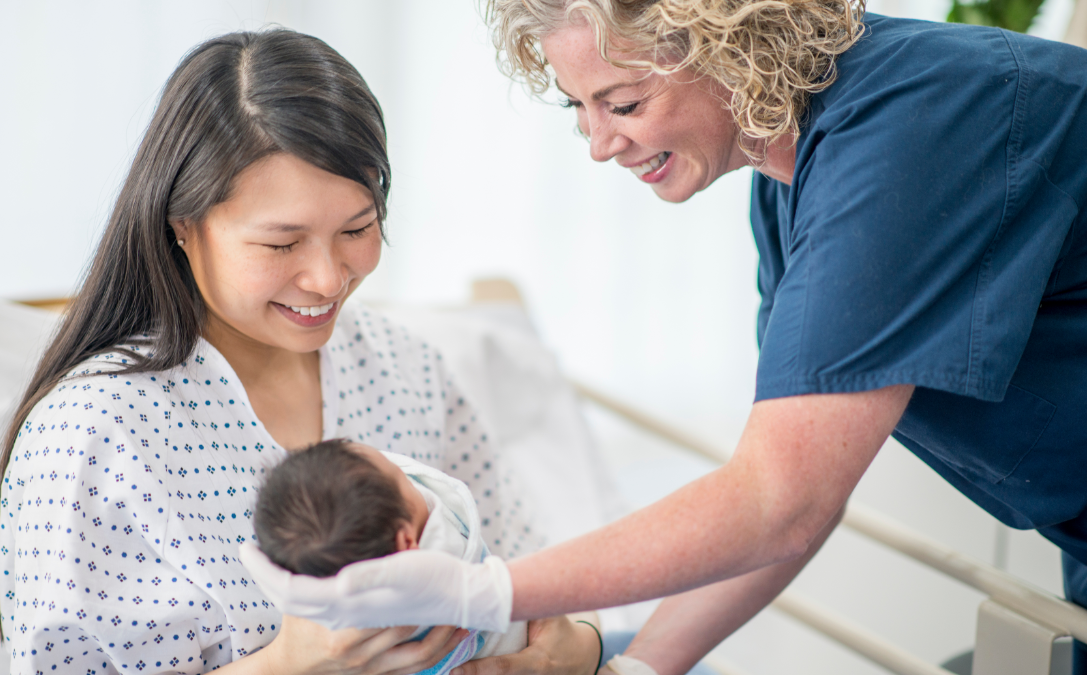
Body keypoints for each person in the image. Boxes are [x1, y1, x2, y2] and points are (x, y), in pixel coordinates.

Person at [259, 2, 1087, 674]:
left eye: (622, 103)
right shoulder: (790, 182)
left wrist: (484, 591)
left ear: (737, 46)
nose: (598, 144)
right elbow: (794, 488)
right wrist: (638, 667)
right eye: (577, 107)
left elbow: (778, 504)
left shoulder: (913, 128)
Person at [0, 28, 603, 675]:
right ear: (182, 224)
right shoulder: (91, 435)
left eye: (357, 229)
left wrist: (577, 647)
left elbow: (536, 573)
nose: (327, 278)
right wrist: (285, 664)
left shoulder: (403, 367)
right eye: (282, 244)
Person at [246, 439, 529, 675]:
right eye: (401, 477)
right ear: (406, 541)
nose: (412, 478)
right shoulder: (447, 552)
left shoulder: (329, 608)